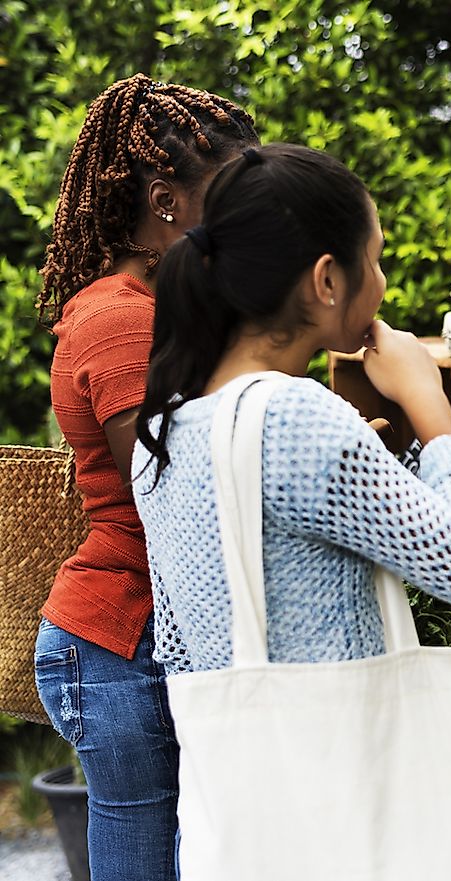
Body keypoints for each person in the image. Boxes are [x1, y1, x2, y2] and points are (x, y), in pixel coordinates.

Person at [129, 143, 451, 872]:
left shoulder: (164, 434)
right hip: (354, 809)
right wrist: (430, 402)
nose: (381, 280)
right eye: (373, 259)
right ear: (326, 279)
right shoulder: (302, 419)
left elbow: (184, 645)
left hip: (246, 823)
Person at [34, 73, 257, 881]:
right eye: (227, 199)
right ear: (166, 202)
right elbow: (165, 483)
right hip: (113, 642)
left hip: (133, 637)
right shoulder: (120, 317)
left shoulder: (154, 306)